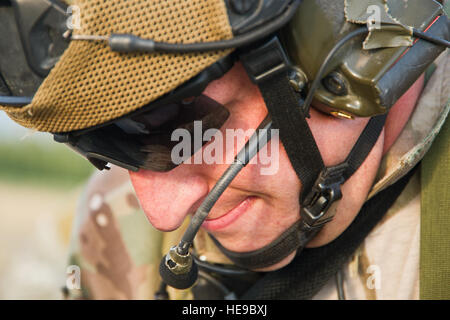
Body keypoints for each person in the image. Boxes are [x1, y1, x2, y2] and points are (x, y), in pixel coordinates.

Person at [0, 0, 449, 300]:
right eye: (109, 144)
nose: (164, 215)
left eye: (171, 122)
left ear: (333, 49)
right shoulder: (114, 231)